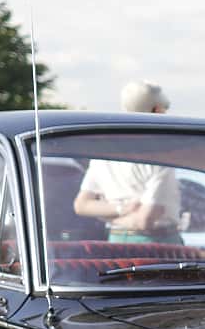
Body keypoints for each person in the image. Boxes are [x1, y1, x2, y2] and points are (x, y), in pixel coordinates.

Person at [74, 81, 179, 242]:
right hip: (158, 243)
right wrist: (128, 212)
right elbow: (144, 221)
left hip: (115, 240)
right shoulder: (162, 158)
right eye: (165, 109)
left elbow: (82, 205)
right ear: (157, 110)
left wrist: (116, 214)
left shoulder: (104, 155)